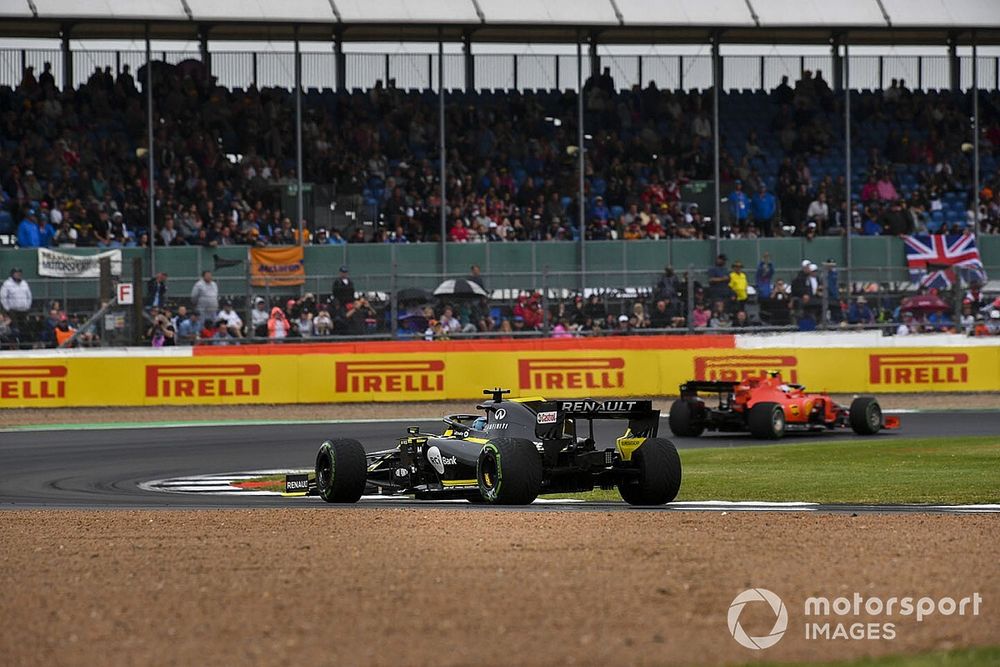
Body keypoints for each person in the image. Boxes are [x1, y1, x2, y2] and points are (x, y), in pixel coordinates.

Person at [1, 268, 32, 336]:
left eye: (19, 273)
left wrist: (27, 306)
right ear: (12, 274)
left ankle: (24, 344)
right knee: (15, 329)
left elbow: (29, 295)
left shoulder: (24, 283)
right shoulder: (7, 283)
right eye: (16, 273)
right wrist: (7, 308)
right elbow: (3, 297)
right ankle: (15, 344)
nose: (18, 274)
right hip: (13, 311)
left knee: (25, 329)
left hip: (24, 310)